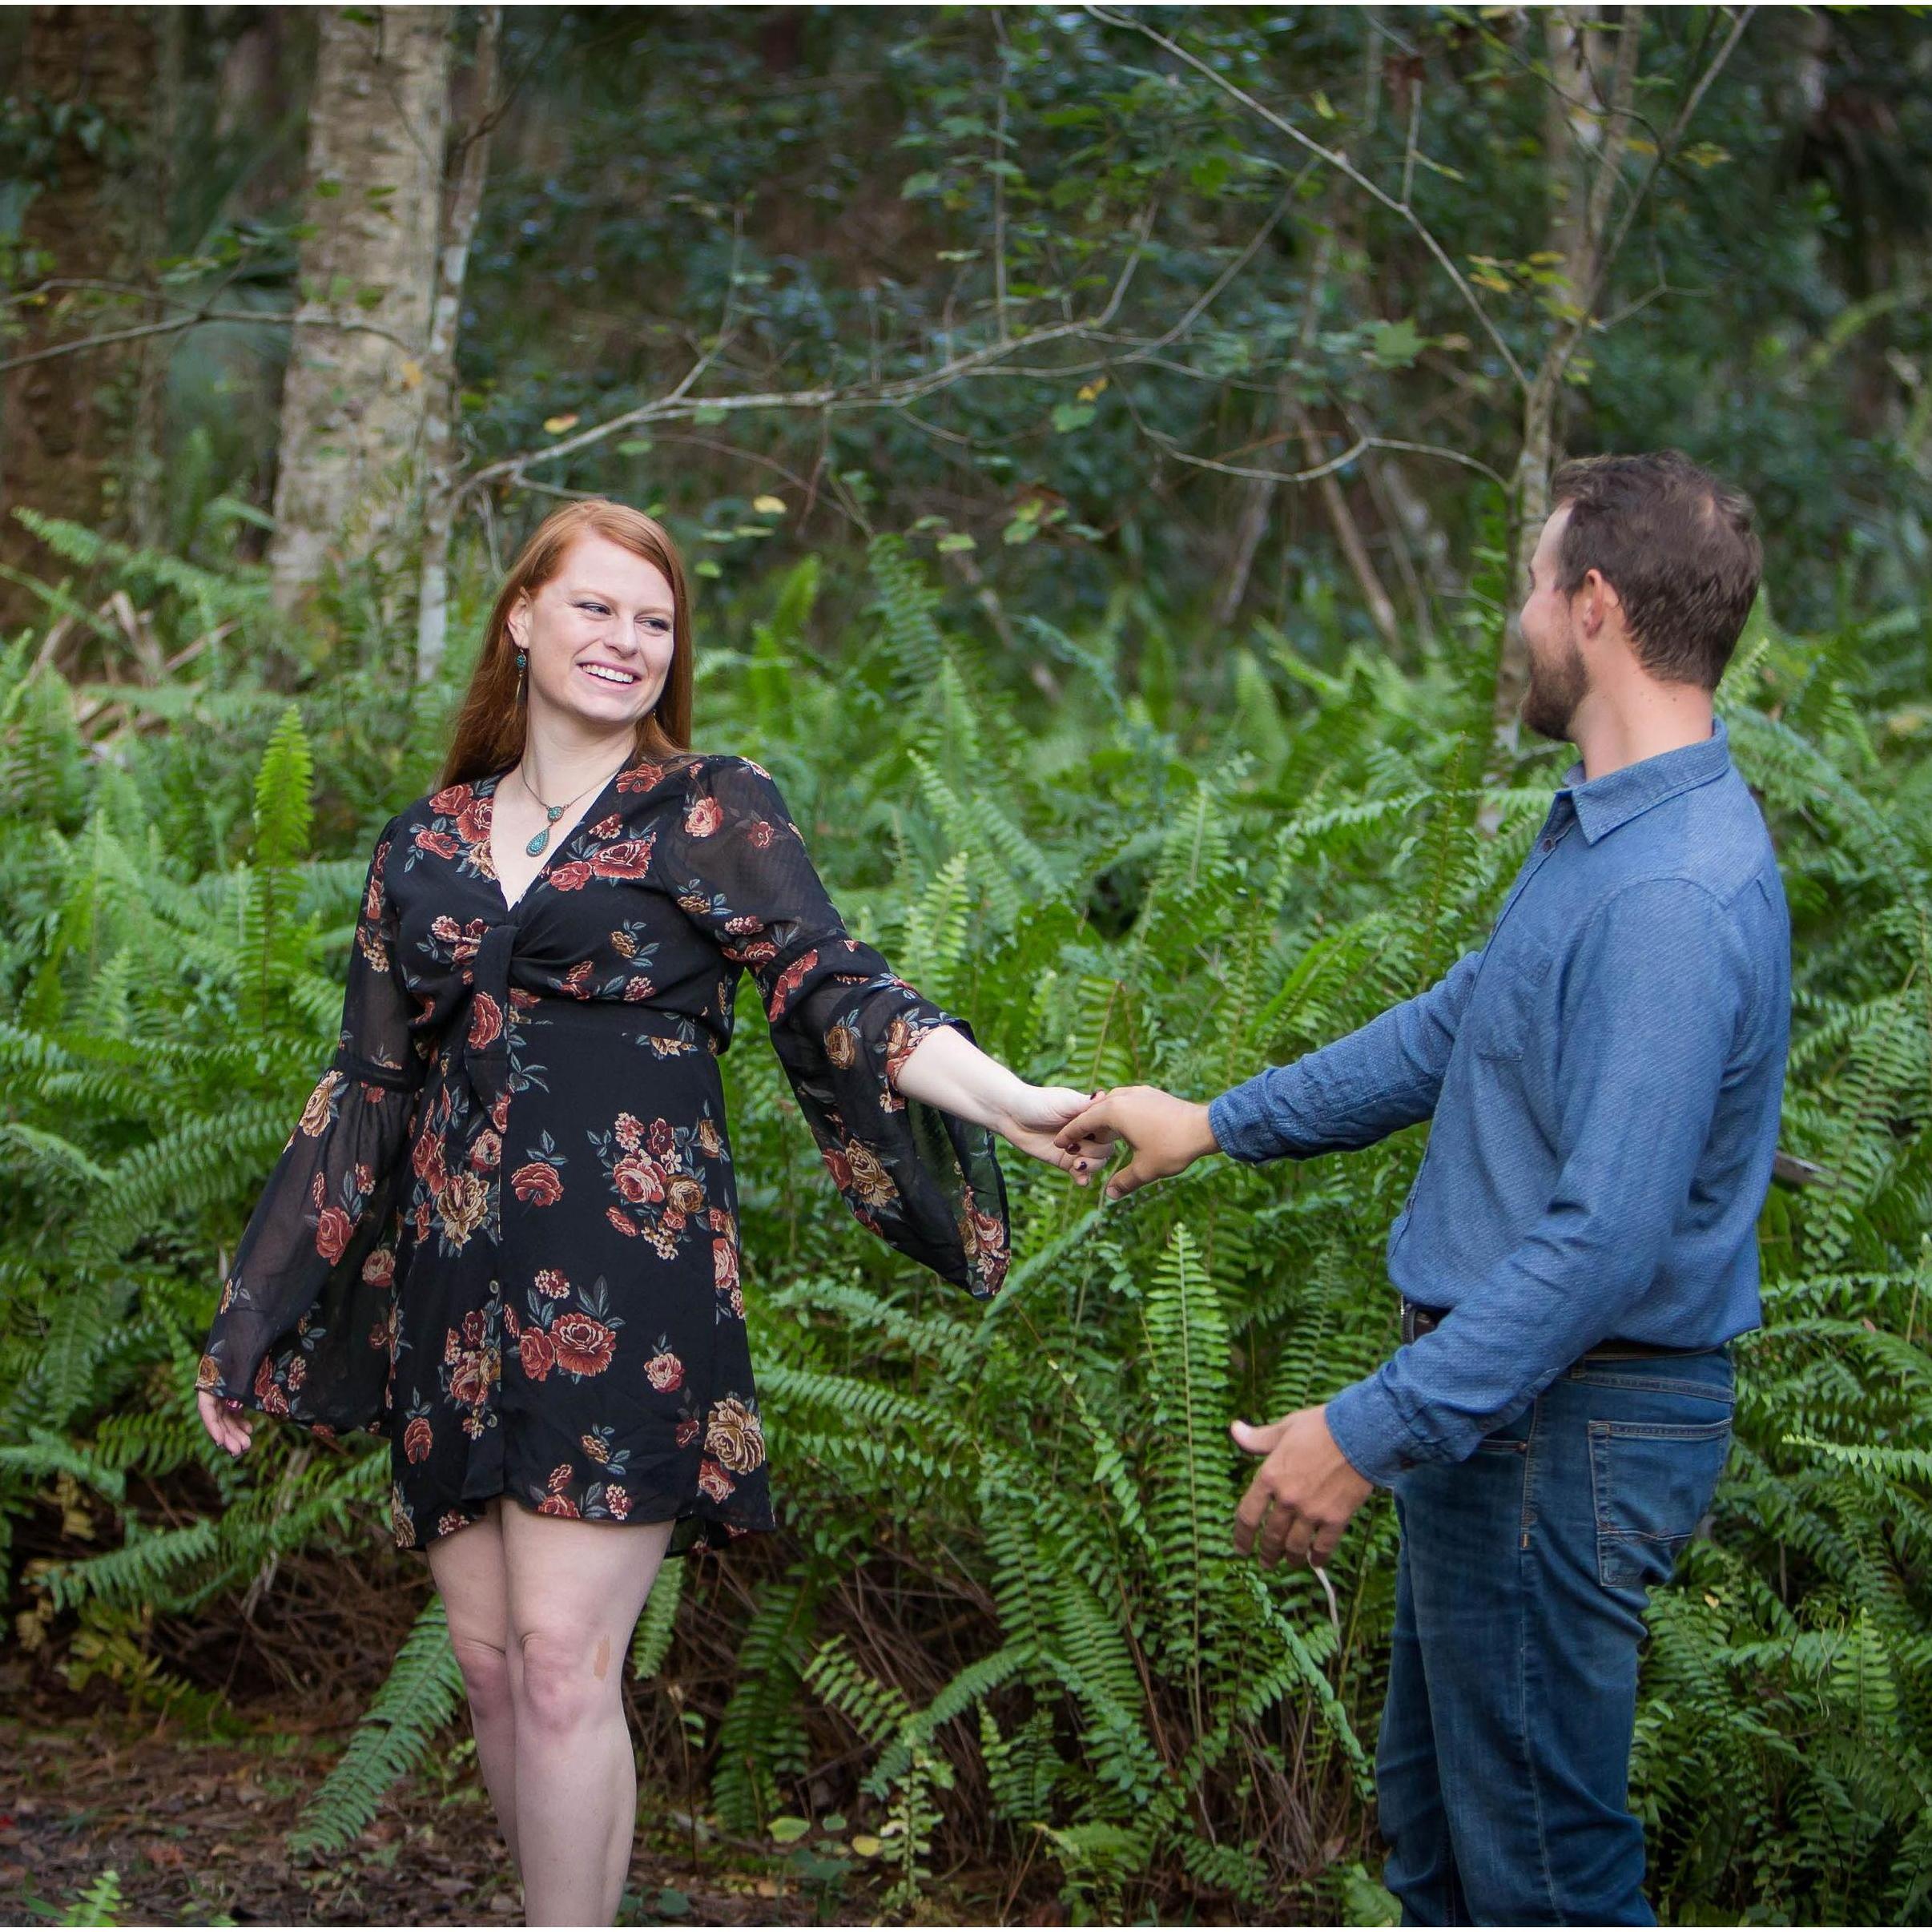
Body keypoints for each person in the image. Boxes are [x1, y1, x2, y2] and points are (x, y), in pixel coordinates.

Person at [195, 497, 1113, 1925]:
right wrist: (255, 1311)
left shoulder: (708, 809)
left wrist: (1012, 1101)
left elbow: (836, 984)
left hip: (624, 1286)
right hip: (452, 1293)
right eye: (596, 607)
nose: (628, 640)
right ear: (520, 616)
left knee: (565, 1660)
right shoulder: (421, 847)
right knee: (494, 1668)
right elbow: (364, 1092)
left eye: (656, 619)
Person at [1054, 450, 1789, 1925]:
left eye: (1531, 583)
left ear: (1592, 606)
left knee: (1540, 1875)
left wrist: (1366, 1431)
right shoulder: (1607, 835)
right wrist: (1214, 1123)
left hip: (1564, 1432)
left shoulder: (1666, 896)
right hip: (1509, 1427)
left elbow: (1603, 1244)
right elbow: (1463, 1024)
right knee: (1451, 1855)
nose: (1516, 616)